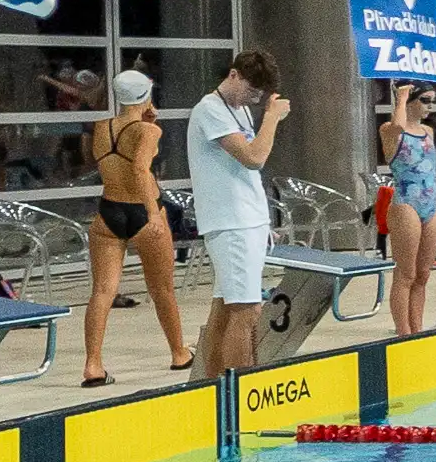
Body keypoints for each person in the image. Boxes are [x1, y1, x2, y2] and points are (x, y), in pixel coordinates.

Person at [78, 70, 189, 387]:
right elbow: (140, 169)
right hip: (142, 212)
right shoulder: (148, 131)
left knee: (102, 291)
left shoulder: (102, 127)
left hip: (108, 213)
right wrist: (153, 214)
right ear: (147, 94)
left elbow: (104, 162)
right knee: (162, 290)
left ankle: (93, 365)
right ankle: (179, 353)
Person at [188, 49, 286, 380]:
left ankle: (212, 387)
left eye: (259, 97)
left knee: (225, 310)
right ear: (234, 75)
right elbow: (254, 158)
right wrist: (271, 118)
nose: (253, 100)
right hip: (231, 225)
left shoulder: (239, 109)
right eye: (251, 91)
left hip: (248, 221)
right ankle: (240, 395)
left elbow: (248, 176)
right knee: (247, 310)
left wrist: (264, 220)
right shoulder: (210, 110)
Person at [375, 82, 436, 336]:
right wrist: (399, 97)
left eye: (432, 100)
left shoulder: (428, 132)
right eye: (424, 99)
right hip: (405, 204)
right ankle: (404, 333)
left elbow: (431, 173)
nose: (430, 106)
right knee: (406, 273)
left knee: (423, 274)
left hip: (430, 202)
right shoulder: (390, 131)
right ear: (409, 101)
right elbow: (398, 125)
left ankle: (418, 330)